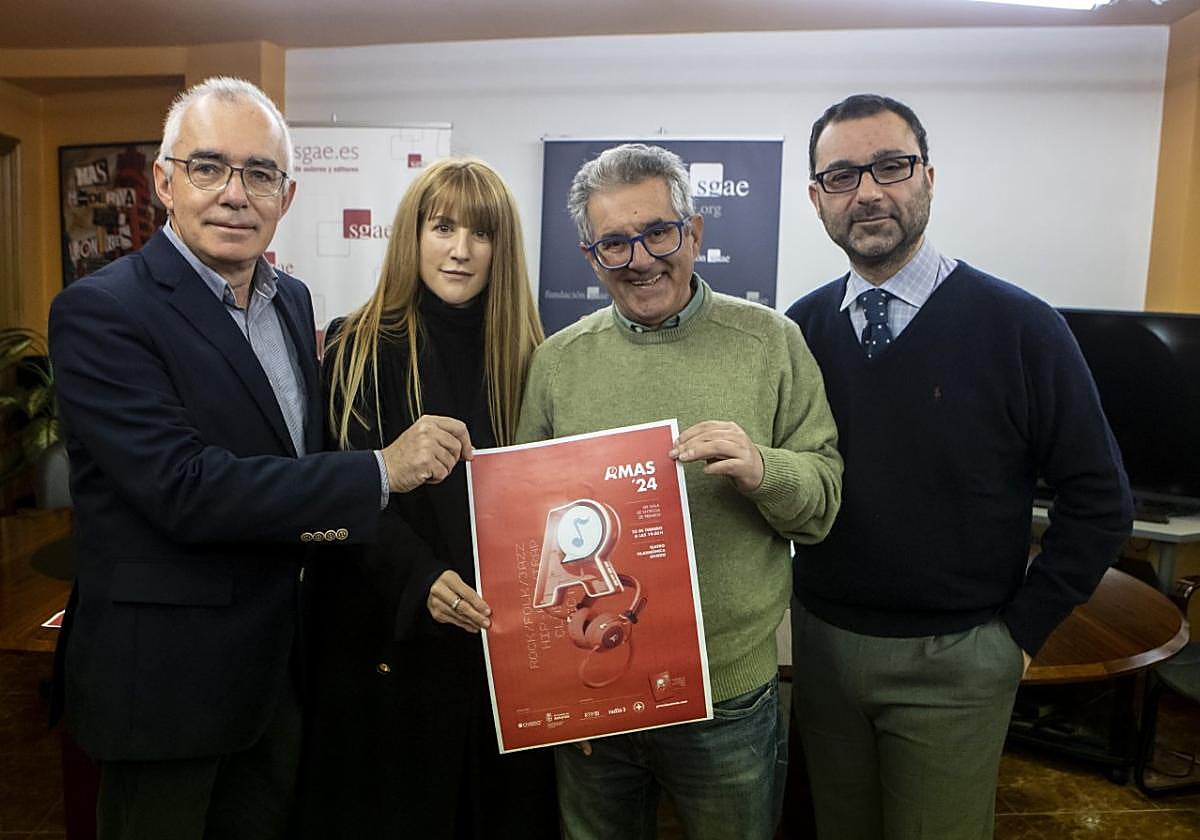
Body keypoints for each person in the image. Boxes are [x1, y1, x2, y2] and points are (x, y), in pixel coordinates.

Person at [47, 77, 470, 840]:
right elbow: (183, 487)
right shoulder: (103, 311)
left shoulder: (292, 301)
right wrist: (382, 470)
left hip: (281, 671)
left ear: (288, 193)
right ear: (165, 180)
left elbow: (294, 467)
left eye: (260, 174)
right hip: (167, 686)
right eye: (209, 168)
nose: (234, 194)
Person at [786, 93, 1133, 840]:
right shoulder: (797, 331)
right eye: (842, 176)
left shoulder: (1021, 327)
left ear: (929, 179)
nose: (869, 191)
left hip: (961, 658)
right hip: (821, 648)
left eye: (891, 166)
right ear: (817, 200)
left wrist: (1017, 636)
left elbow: (1101, 499)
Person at [516, 142, 843, 840]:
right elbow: (529, 531)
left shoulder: (771, 343)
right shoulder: (557, 363)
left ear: (694, 232)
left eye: (658, 232)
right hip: (595, 688)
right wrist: (552, 689)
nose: (639, 258)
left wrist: (762, 467)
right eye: (614, 243)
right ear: (589, 254)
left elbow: (822, 503)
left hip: (727, 697)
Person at [299, 158, 558, 839]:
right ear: (412, 235)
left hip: (503, 653)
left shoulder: (537, 355)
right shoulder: (355, 344)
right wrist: (421, 577)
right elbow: (335, 490)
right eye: (443, 227)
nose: (461, 250)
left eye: (481, 232)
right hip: (386, 643)